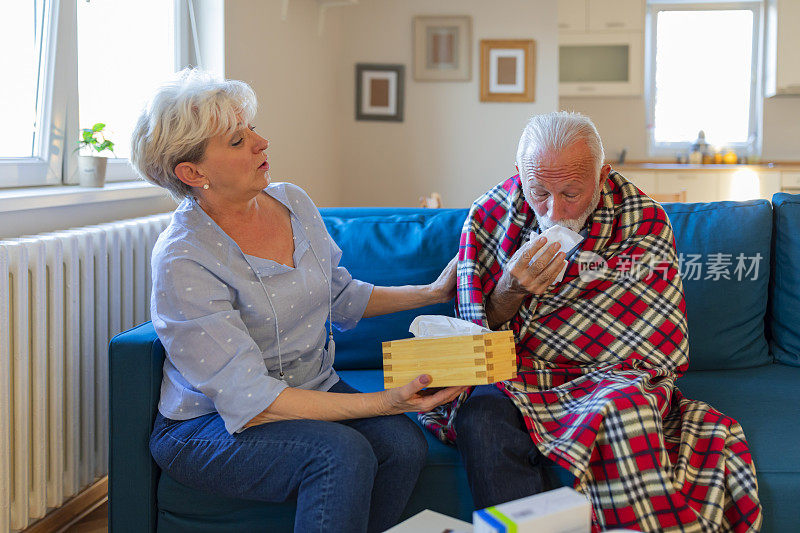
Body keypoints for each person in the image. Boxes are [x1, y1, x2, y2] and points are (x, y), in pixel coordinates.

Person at [130, 69, 466, 533]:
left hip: (311, 387)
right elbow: (253, 400)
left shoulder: (292, 202)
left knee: (404, 445)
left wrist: (432, 293)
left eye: (250, 128)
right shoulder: (182, 257)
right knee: (340, 454)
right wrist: (385, 401)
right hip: (211, 425)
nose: (261, 141)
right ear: (193, 172)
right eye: (236, 140)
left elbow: (341, 296)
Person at [420, 111, 762, 532]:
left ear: (603, 176)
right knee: (480, 419)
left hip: (612, 374)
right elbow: (472, 340)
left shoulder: (643, 220)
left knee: (625, 414)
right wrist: (511, 289)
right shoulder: (490, 217)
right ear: (518, 175)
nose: (554, 210)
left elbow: (655, 345)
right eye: (539, 192)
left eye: (571, 193)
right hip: (516, 373)